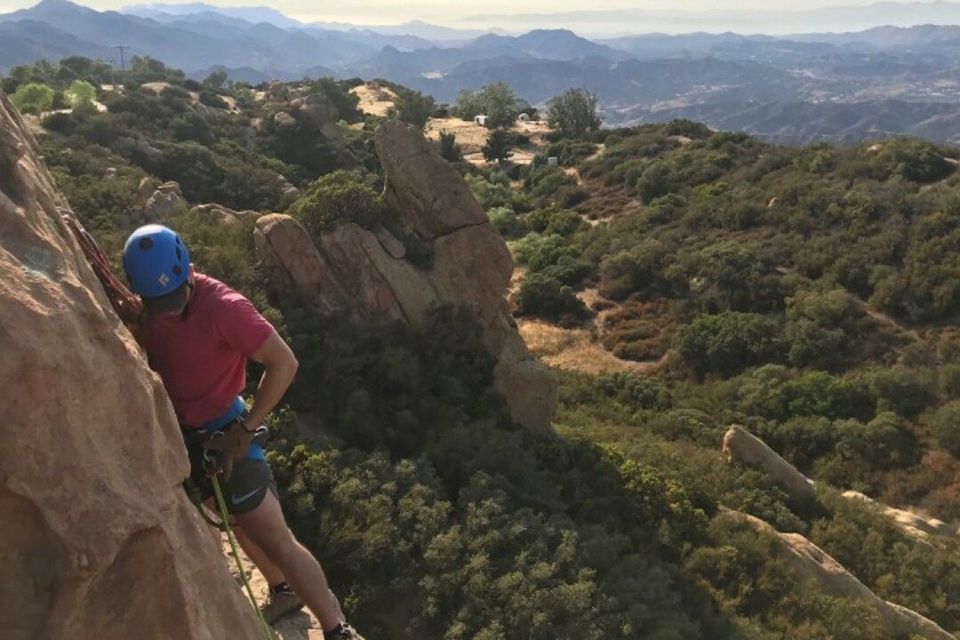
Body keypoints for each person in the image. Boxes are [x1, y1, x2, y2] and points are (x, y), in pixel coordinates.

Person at [122, 224, 364, 639]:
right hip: (183, 432)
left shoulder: (224, 307)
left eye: (173, 301)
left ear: (190, 271)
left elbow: (284, 363)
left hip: (223, 430)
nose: (166, 310)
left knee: (276, 536)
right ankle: (283, 590)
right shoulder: (152, 301)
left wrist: (245, 429)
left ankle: (335, 628)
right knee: (235, 521)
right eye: (156, 304)